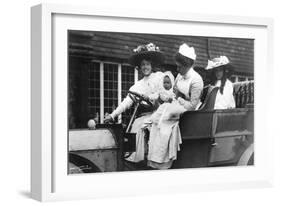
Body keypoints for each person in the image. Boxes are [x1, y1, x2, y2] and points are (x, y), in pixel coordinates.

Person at [104, 43, 164, 163]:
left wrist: (152, 98)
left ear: (152, 65)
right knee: (136, 124)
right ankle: (137, 159)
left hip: (161, 112)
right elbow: (126, 102)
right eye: (142, 65)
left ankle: (154, 158)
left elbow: (163, 93)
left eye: (147, 64)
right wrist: (112, 115)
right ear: (139, 67)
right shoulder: (138, 84)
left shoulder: (159, 77)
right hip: (146, 115)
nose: (145, 67)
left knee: (146, 125)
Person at [147, 43, 204, 169]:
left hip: (189, 110)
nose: (177, 69)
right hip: (179, 104)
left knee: (165, 122)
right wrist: (173, 98)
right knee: (157, 119)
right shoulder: (180, 76)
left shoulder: (196, 80)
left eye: (179, 67)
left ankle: (163, 161)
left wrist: (178, 99)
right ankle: (154, 158)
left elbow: (192, 106)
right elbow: (175, 91)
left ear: (187, 65)